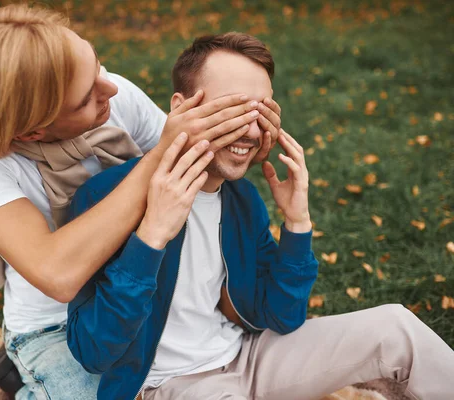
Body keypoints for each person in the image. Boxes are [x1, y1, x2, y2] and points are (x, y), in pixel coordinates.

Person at [67, 32, 454, 400]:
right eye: (232, 108)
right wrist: (150, 238)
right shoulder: (104, 199)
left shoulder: (241, 199)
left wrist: (297, 223)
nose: (251, 130)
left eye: (262, 111)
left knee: (396, 328)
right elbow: (95, 351)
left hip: (248, 356)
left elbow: (282, 316)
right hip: (167, 384)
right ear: (181, 108)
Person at [0, 4, 283, 399]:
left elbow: (193, 165)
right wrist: (158, 155)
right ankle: (25, 373)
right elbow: (58, 275)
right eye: (86, 98)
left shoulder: (115, 95)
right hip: (53, 325)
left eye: (98, 66)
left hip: (129, 295)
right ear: (32, 132)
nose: (112, 89)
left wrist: (237, 142)